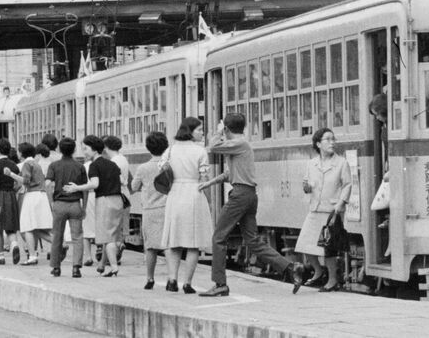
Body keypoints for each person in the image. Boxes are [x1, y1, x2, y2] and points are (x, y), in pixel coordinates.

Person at [199, 112, 308, 297]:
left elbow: (212, 147)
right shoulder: (241, 146)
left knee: (218, 237)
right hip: (248, 194)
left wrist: (218, 132)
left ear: (226, 128)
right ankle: (291, 268)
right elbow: (230, 173)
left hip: (240, 196)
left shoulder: (239, 143)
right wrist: (209, 183)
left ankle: (220, 284)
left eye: (224, 129)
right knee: (252, 240)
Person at [294, 127, 352, 292]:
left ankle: (332, 280)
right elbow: (307, 184)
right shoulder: (311, 163)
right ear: (318, 143)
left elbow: (347, 185)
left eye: (333, 139)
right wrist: (306, 187)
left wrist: (341, 204)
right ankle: (318, 271)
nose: (332, 142)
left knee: (328, 249)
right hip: (315, 208)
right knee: (305, 244)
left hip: (331, 211)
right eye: (328, 139)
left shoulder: (341, 163)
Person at [160, 116, 214, 293]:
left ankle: (172, 280)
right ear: (190, 132)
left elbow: (162, 172)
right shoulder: (200, 152)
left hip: (174, 194)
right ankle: (187, 283)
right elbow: (204, 178)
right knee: (193, 243)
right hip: (194, 193)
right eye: (199, 130)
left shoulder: (170, 150)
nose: (202, 133)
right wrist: (209, 200)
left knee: (174, 241)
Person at [65, 134, 123, 277]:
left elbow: (95, 184)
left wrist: (77, 188)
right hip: (118, 200)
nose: (84, 152)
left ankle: (114, 267)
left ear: (94, 150)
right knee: (111, 234)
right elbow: (122, 180)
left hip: (104, 200)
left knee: (107, 237)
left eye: (86, 149)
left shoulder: (94, 166)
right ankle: (102, 265)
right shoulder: (113, 164)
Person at [129, 131, 170, 290]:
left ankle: (150, 278)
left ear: (148, 148)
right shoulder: (168, 166)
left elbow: (134, 187)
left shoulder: (143, 168)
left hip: (150, 210)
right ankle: (171, 277)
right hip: (167, 208)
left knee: (150, 246)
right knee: (168, 245)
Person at [46, 136, 88, 278]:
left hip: (59, 204)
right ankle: (76, 268)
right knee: (77, 237)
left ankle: (56, 268)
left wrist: (51, 201)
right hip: (75, 204)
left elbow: (47, 184)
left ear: (59, 149)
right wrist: (84, 206)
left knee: (57, 235)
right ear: (75, 150)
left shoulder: (54, 165)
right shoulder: (80, 166)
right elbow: (84, 189)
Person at [11, 142, 50, 265]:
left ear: (21, 153)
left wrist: (11, 175)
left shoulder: (27, 164)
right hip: (41, 195)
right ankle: (59, 243)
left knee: (27, 227)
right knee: (39, 228)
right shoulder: (36, 164)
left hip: (31, 195)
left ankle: (32, 255)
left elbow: (26, 181)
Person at [0, 138, 22, 264]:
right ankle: (14, 244)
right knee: (10, 227)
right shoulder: (14, 165)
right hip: (11, 195)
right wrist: (14, 190)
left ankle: (1, 256)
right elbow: (19, 182)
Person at [104, 134, 131, 265]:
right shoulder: (123, 159)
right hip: (125, 195)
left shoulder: (113, 162)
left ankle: (115, 251)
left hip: (117, 195)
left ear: (107, 147)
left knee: (113, 226)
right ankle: (120, 244)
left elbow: (119, 179)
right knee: (121, 225)